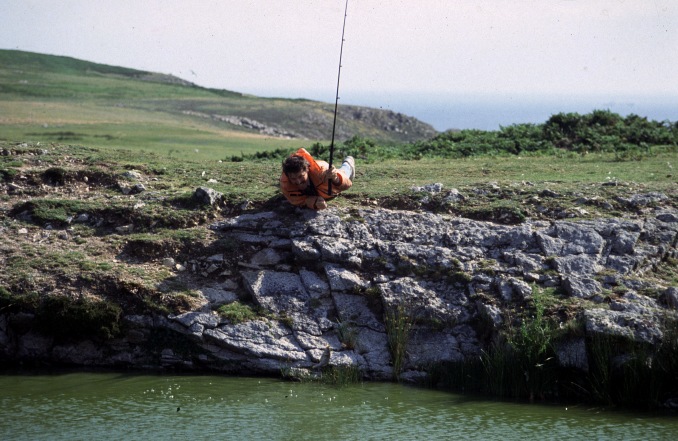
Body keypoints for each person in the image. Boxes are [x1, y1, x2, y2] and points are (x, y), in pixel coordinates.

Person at [280, 147, 355, 210]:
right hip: (321, 193)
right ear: (288, 176)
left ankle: (348, 163)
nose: (298, 181)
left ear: (307, 170)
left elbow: (347, 185)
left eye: (301, 176)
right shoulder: (285, 185)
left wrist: (336, 179)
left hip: (335, 182)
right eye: (293, 178)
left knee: (344, 171)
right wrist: (314, 202)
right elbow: (297, 201)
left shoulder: (322, 171)